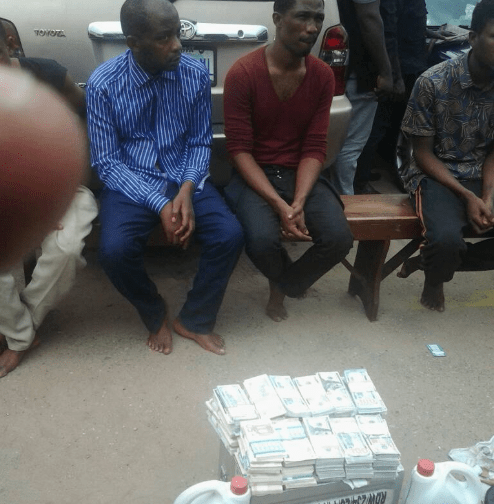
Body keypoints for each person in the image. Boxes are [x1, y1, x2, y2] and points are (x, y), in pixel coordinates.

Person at [86, 0, 244, 356]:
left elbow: (200, 141)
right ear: (133, 42)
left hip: (183, 175)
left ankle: (195, 319)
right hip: (131, 181)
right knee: (113, 251)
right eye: (163, 38)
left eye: (177, 33)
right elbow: (108, 163)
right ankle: (154, 311)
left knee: (229, 235)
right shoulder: (103, 84)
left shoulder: (194, 73)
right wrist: (160, 204)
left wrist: (186, 190)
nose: (177, 45)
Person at [223, 0, 353, 322]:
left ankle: (285, 285)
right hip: (255, 174)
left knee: (339, 239)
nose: (312, 28)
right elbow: (239, 150)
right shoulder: (243, 73)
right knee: (260, 240)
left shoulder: (322, 75)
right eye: (303, 17)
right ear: (278, 20)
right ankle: (280, 284)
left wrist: (298, 201)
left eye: (318, 18)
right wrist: (280, 206)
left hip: (299, 173)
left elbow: (314, 146)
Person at [0, 25, 98, 378]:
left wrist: (54, 194)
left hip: (63, 181)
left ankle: (21, 327)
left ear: (10, 43)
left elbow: (86, 121)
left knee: (66, 249)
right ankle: (21, 336)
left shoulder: (48, 74)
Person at [397, 0, 494, 312]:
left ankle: (429, 264)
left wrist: (487, 197)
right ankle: (435, 277)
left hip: (480, 171)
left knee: (449, 251)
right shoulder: (433, 81)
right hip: (434, 174)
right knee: (446, 241)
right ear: (473, 38)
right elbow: (422, 155)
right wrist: (468, 196)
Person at [354, 0, 428, 194]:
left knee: (394, 126)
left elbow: (411, 22)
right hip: (402, 68)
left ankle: (364, 173)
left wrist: (428, 32)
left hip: (412, 63)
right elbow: (389, 32)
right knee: (380, 126)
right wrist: (395, 76)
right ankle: (361, 182)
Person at [329, 0, 393, 195]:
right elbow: (369, 17)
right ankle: (344, 199)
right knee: (349, 146)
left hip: (338, 64)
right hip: (358, 68)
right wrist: (386, 72)